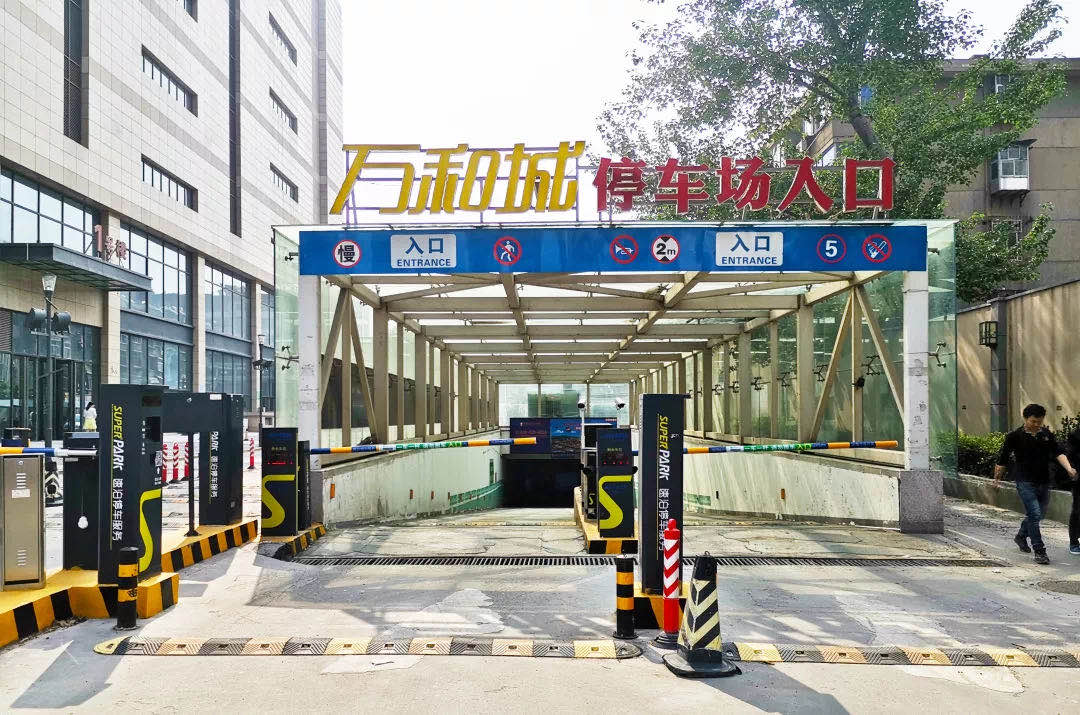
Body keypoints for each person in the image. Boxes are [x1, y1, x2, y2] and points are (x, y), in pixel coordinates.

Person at [994, 403, 1078, 564]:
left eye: (1039, 421)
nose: (1037, 424)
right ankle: (1039, 550)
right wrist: (997, 479)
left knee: (1039, 514)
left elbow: (1058, 452)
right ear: (1025, 418)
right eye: (1033, 421)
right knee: (1034, 513)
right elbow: (1003, 458)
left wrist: (1069, 468)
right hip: (1024, 480)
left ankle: (1021, 536)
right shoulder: (1014, 436)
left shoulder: (1046, 434)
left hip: (1044, 480)